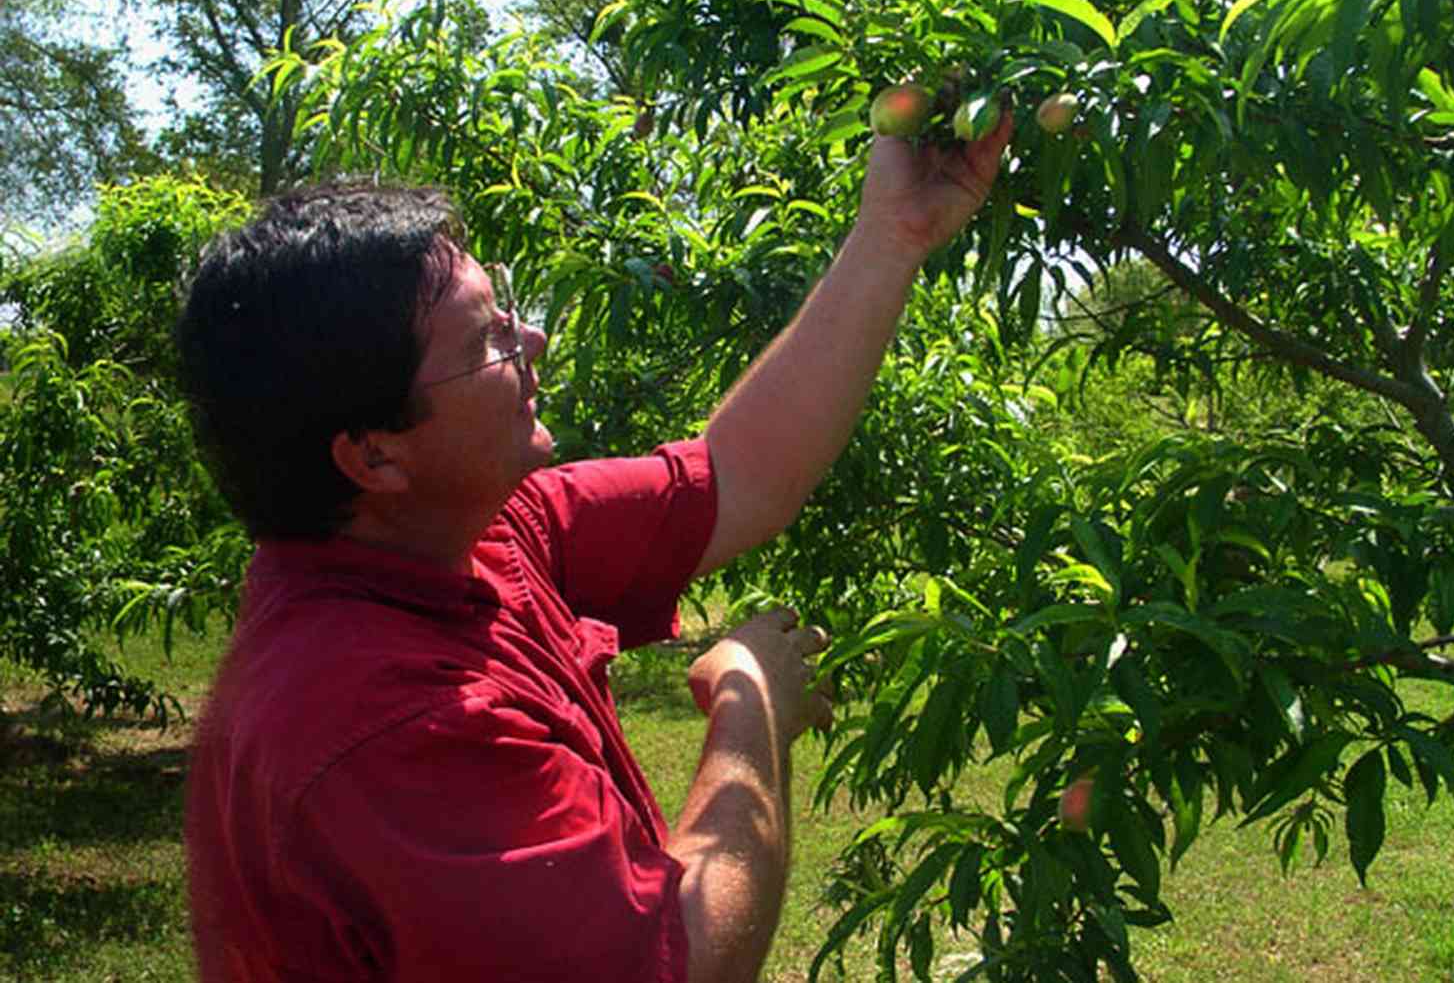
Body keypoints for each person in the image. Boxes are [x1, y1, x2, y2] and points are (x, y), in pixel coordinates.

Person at [175, 115, 1012, 983]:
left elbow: (741, 473)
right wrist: (751, 704)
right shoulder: (384, 725)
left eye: (504, 308)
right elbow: (681, 961)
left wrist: (892, 233)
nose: (529, 342)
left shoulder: (474, 535)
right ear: (377, 453)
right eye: (485, 345)